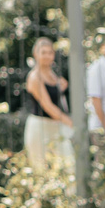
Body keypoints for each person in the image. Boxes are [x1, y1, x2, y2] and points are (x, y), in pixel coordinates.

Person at [24, 37, 69, 171]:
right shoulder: (34, 77)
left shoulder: (53, 74)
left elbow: (56, 98)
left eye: (50, 52)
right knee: (40, 170)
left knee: (68, 164)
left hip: (55, 126)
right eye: (43, 52)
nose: (47, 56)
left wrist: (61, 87)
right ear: (36, 54)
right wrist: (71, 123)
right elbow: (48, 106)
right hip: (39, 127)